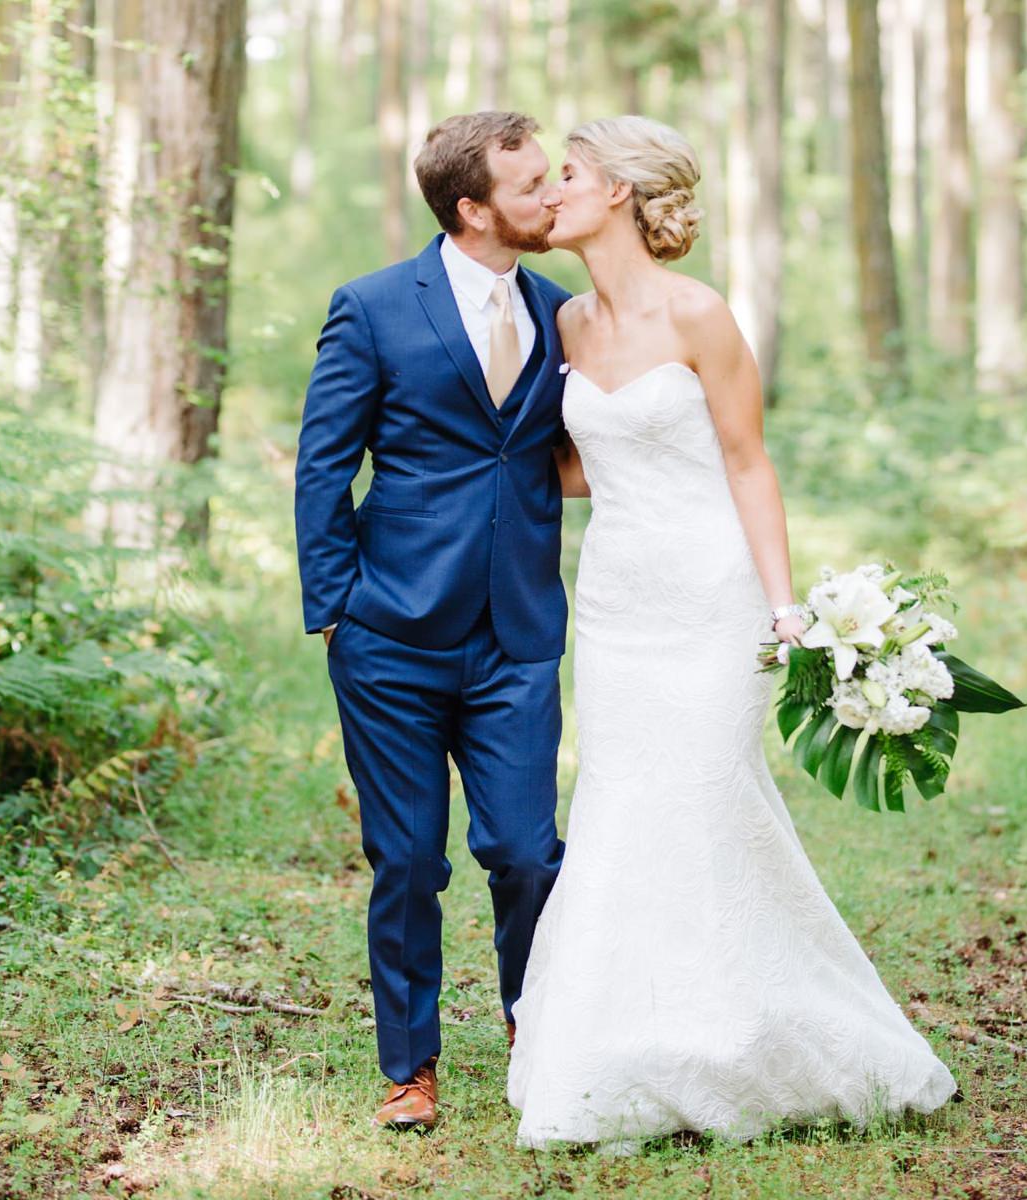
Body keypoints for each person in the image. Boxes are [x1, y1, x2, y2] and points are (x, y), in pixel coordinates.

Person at [506, 115, 958, 1152]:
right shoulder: (566, 325)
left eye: (567, 173)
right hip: (616, 605)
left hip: (712, 599)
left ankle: (748, 1038)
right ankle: (619, 1049)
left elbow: (749, 462)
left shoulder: (702, 315)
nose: (552, 191)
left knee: (707, 797)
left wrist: (786, 606)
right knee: (621, 808)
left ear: (618, 190)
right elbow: (573, 465)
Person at [294, 111, 572, 1131]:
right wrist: (337, 611)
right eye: (532, 181)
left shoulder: (562, 312)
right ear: (472, 208)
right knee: (408, 858)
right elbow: (325, 463)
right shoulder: (370, 309)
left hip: (517, 635)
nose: (552, 193)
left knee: (527, 851)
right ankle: (410, 1071)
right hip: (391, 635)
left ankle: (537, 1034)